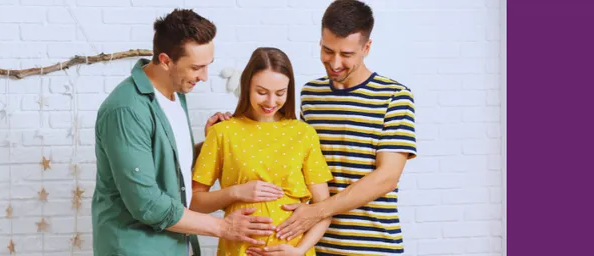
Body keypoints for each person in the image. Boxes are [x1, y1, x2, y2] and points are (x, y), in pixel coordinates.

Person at [91, 9, 276, 256]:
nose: (204, 77)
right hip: (136, 248)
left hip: (176, 245)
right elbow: (146, 203)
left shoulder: (176, 94)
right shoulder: (126, 110)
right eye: (196, 68)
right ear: (166, 61)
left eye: (207, 66)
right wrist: (224, 227)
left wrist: (208, 145)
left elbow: (170, 169)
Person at [247, 0, 419, 255]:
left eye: (346, 54)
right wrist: (231, 126)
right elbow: (288, 153)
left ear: (366, 48)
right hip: (314, 246)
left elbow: (386, 178)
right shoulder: (311, 94)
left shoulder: (394, 97)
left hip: (372, 246)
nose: (335, 63)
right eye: (328, 50)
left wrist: (317, 211)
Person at [191, 47, 335, 256]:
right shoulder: (222, 132)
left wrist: (299, 251)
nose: (270, 102)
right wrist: (236, 192)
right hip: (239, 250)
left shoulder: (304, 134)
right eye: (261, 92)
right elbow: (194, 203)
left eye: (280, 93)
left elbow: (324, 210)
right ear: (247, 86)